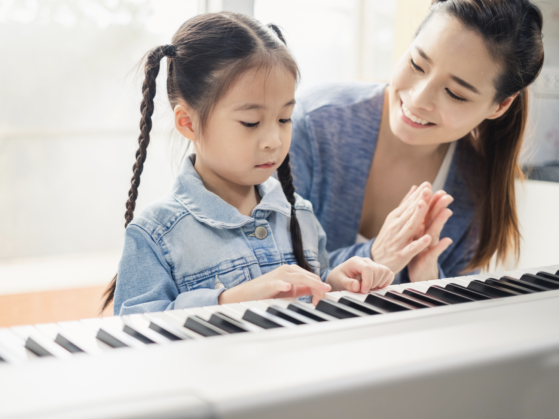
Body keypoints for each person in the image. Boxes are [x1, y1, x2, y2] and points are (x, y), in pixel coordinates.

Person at [102, 12, 394, 315]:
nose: (274, 140)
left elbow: (310, 295)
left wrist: (333, 283)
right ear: (188, 122)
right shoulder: (155, 233)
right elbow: (135, 329)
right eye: (251, 122)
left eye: (284, 119)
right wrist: (229, 301)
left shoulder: (300, 214)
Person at [290, 0, 544, 283]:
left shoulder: (477, 182)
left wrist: (429, 281)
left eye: (455, 93)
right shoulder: (314, 125)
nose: (418, 99)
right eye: (416, 64)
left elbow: (453, 316)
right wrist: (375, 256)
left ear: (500, 106)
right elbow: (260, 277)